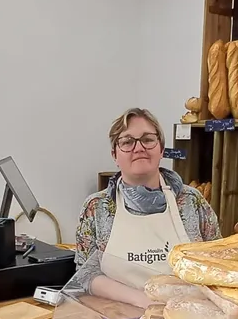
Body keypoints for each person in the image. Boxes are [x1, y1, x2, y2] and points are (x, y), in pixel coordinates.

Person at [74, 108, 220, 307]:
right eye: (127, 142)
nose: (139, 147)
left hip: (187, 317)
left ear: (161, 149)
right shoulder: (96, 207)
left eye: (148, 139)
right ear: (115, 155)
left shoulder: (192, 201)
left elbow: (218, 263)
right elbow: (86, 274)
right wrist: (143, 301)